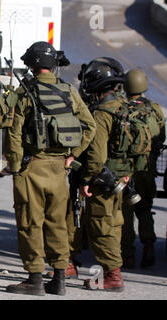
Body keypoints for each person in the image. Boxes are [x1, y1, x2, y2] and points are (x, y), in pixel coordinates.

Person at [4, 41, 96, 296]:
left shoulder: (25, 92)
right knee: (57, 224)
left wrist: (14, 166)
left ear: (32, 65)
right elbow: (90, 126)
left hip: (31, 166)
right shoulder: (69, 91)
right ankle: (59, 279)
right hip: (59, 169)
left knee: (30, 222)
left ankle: (34, 279)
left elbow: (14, 133)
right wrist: (72, 155)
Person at [78, 57, 136, 292]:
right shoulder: (124, 107)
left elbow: (96, 156)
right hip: (122, 177)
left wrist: (85, 180)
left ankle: (113, 276)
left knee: (101, 226)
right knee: (114, 224)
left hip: (104, 179)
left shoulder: (102, 113)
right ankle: (112, 270)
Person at [121, 68, 165, 268]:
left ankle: (128, 254)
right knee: (145, 208)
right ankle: (148, 245)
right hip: (146, 168)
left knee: (126, 211)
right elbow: (160, 137)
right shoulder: (154, 109)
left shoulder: (121, 107)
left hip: (125, 169)